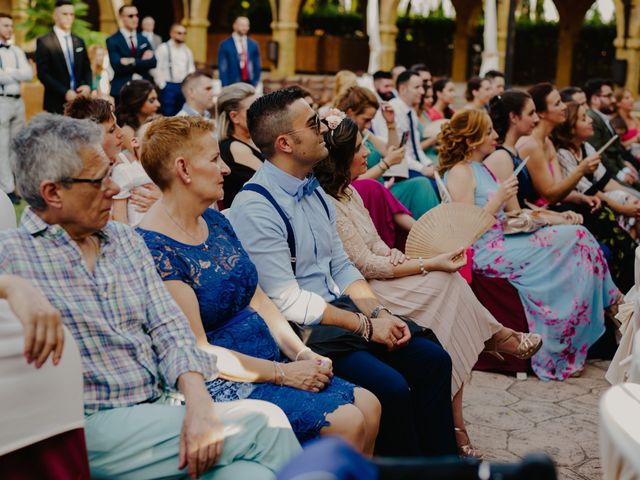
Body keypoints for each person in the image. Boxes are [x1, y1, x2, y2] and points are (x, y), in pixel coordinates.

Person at [0, 113, 302, 478]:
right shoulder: (15, 252)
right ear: (52, 193)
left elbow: (170, 329)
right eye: (100, 179)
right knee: (265, 423)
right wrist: (11, 287)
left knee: (252, 475)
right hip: (92, 425)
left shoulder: (124, 239)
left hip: (161, 407)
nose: (115, 188)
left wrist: (198, 403)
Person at [229, 87, 458, 458]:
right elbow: (287, 301)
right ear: (286, 143)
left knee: (432, 359)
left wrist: (378, 313)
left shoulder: (315, 191)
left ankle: (443, 465)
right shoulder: (256, 206)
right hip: (302, 333)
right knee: (393, 387)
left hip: (342, 312)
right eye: (312, 122)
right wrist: (366, 326)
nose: (322, 127)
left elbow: (342, 264)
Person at [137, 116, 380, 453]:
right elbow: (196, 351)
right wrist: (284, 372)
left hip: (273, 357)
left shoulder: (213, 219)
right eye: (214, 159)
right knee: (348, 421)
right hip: (223, 380)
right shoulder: (155, 247)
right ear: (183, 169)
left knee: (369, 403)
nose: (226, 169)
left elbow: (260, 300)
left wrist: (302, 353)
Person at [314, 114, 542, 457]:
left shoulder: (350, 194)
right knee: (443, 283)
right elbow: (361, 265)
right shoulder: (327, 201)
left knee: (446, 287)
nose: (368, 155)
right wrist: (424, 263)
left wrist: (393, 253)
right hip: (361, 290)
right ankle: (494, 338)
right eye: (360, 149)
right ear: (341, 157)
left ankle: (469, 391)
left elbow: (375, 246)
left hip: (378, 274)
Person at [442, 109, 619, 381]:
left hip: (504, 237)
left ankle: (607, 307)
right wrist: (499, 196)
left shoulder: (484, 168)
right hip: (484, 251)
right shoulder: (459, 173)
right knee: (578, 239)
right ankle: (614, 306)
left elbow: (510, 216)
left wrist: (554, 219)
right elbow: (467, 229)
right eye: (489, 132)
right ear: (470, 141)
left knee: (577, 233)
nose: (496, 136)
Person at [518, 83, 637, 293]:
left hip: (560, 205)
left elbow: (560, 190)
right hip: (541, 213)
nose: (564, 107)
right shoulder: (531, 145)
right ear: (542, 113)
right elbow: (550, 195)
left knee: (602, 213)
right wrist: (580, 171)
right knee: (604, 220)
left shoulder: (547, 142)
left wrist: (580, 198)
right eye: (557, 103)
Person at [337, 85, 439, 221]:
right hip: (363, 193)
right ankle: (431, 233)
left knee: (421, 183)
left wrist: (390, 124)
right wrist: (386, 164)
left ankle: (434, 230)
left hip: (382, 189)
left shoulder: (364, 132)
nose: (369, 125)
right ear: (350, 112)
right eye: (366, 120)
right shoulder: (341, 138)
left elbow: (390, 150)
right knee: (421, 185)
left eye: (371, 121)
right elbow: (349, 183)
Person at [65, 96, 158, 227]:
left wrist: (162, 200)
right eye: (112, 130)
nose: (121, 133)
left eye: (117, 125)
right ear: (89, 140)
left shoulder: (128, 161)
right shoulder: (84, 182)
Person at [553, 101, 640, 239]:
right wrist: (623, 209)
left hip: (599, 198)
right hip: (585, 204)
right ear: (571, 129)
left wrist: (632, 194)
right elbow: (588, 190)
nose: (591, 120)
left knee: (635, 201)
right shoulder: (563, 154)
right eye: (584, 118)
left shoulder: (586, 147)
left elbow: (606, 182)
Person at [35, 0, 92, 114]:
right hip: (55, 103)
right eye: (64, 14)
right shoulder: (44, 41)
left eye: (71, 14)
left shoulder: (79, 41)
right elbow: (43, 74)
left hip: (80, 101)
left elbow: (86, 67)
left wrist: (87, 86)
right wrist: (65, 92)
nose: (69, 17)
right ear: (55, 16)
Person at [583, 78, 640, 190]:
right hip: (608, 176)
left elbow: (615, 150)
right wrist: (620, 174)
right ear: (595, 99)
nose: (613, 100)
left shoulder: (602, 117)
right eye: (608, 96)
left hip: (619, 167)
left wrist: (625, 169)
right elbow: (600, 154)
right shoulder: (592, 119)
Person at [0, 12, 32, 204]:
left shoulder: (17, 50)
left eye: (11, 25)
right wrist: (17, 74)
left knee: (16, 146)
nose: (10, 29)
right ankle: (8, 188)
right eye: (5, 25)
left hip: (18, 101)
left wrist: (9, 72)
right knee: (2, 146)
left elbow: (28, 74)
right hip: (2, 101)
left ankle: (16, 186)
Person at [217, 82, 262, 207]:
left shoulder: (253, 140)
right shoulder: (234, 147)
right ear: (234, 117)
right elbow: (274, 179)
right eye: (254, 109)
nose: (261, 113)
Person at [106, 5, 156, 101]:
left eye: (136, 15)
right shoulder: (112, 40)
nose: (135, 19)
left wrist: (132, 61)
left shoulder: (143, 39)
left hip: (144, 89)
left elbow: (153, 62)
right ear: (121, 18)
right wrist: (142, 61)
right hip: (122, 90)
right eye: (130, 16)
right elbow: (117, 66)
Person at [153, 24, 195, 116]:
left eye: (184, 33)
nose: (182, 35)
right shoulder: (163, 48)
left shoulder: (187, 50)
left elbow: (191, 69)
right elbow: (156, 67)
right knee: (168, 114)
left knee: (182, 114)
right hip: (169, 86)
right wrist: (162, 85)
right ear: (172, 34)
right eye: (179, 33)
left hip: (183, 86)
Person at [115, 79, 160, 153]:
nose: (158, 104)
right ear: (137, 102)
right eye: (152, 100)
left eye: (157, 99)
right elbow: (143, 157)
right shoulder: (127, 131)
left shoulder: (153, 121)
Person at [217, 16, 261, 87]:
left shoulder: (253, 44)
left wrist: (255, 82)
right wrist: (225, 85)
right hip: (232, 83)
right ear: (234, 26)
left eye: (247, 25)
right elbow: (223, 67)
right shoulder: (225, 45)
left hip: (250, 83)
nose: (245, 28)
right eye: (242, 25)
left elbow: (257, 64)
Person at [614, 87, 640, 151]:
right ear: (618, 103)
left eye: (631, 97)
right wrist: (636, 139)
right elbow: (617, 146)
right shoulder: (615, 122)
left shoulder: (635, 119)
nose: (632, 100)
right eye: (627, 98)